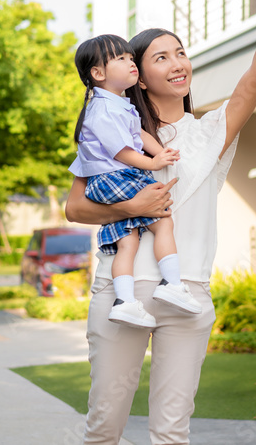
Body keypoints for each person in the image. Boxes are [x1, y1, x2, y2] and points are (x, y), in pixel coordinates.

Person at [65, 0, 256, 445]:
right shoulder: (111, 133)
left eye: (181, 51)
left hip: (187, 293)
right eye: (161, 56)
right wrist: (133, 206)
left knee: (172, 432)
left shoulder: (209, 133)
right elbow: (75, 207)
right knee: (104, 427)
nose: (178, 62)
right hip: (122, 294)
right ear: (137, 73)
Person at [69, 34, 202, 329]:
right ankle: (171, 283)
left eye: (131, 58)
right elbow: (122, 150)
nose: (131, 64)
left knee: (126, 243)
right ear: (98, 73)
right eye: (121, 59)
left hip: (107, 181)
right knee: (163, 219)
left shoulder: (118, 104)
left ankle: (124, 302)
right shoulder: (104, 109)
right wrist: (153, 163)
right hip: (114, 177)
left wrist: (160, 150)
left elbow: (139, 134)